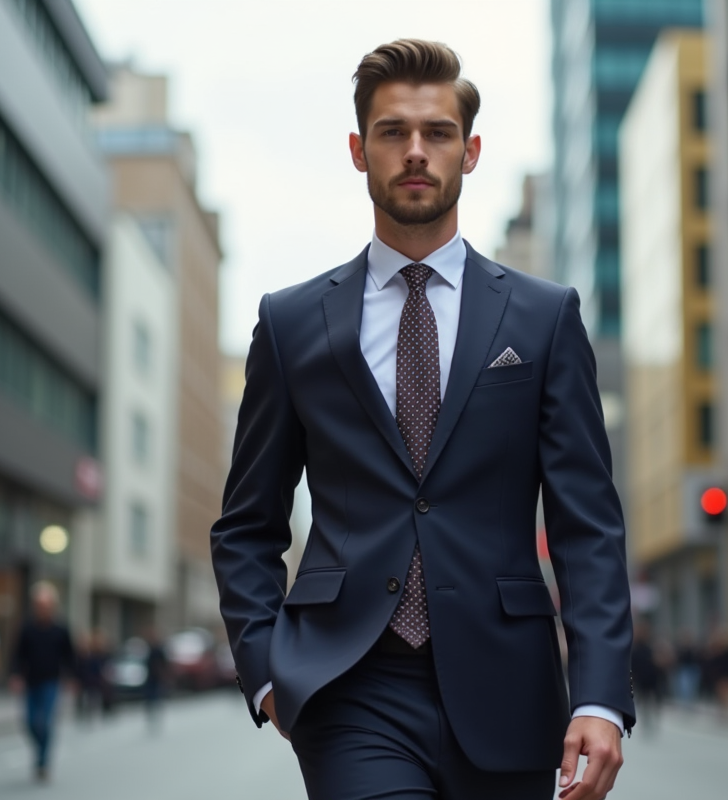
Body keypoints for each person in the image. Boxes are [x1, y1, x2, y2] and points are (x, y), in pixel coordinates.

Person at [210, 39, 634, 800]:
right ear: (357, 149)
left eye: (437, 133)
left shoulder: (543, 318)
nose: (415, 152)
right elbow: (247, 524)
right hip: (348, 685)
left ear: (469, 152)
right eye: (392, 132)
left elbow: (587, 526)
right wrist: (267, 672)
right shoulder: (292, 322)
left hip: (508, 683)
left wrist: (600, 694)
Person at [10, 582, 75, 783]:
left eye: (45, 604)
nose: (42, 608)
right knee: (30, 722)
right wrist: (15, 675)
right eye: (39, 604)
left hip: (51, 681)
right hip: (31, 681)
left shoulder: (61, 629)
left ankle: (43, 762)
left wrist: (71, 677)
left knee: (45, 722)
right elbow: (17, 654)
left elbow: (70, 655)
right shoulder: (27, 628)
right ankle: (40, 749)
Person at [630, 622, 662, 733]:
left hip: (652, 678)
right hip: (642, 679)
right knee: (644, 700)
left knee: (654, 700)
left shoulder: (651, 648)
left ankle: (653, 719)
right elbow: (632, 665)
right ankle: (646, 720)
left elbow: (657, 662)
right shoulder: (635, 649)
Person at [142, 627, 169, 731]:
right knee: (149, 697)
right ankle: (151, 715)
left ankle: (156, 715)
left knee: (156, 697)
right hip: (150, 677)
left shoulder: (158, 649)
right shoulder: (149, 648)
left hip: (157, 677)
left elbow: (164, 663)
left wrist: (163, 675)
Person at [672, 631, 702, 708]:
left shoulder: (694, 648)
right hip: (684, 669)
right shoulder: (680, 648)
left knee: (692, 686)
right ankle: (685, 702)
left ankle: (690, 701)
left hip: (693, 668)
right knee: (684, 686)